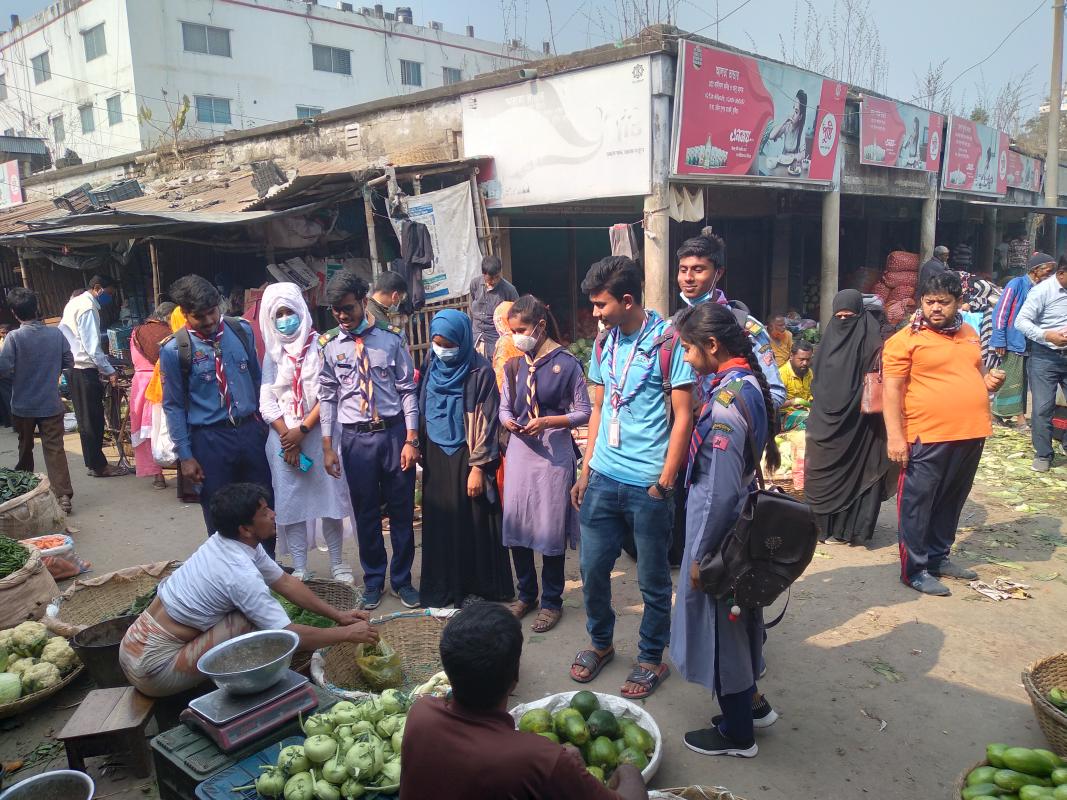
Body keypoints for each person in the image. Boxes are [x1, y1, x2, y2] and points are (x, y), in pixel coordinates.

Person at [569, 256, 695, 699]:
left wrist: (663, 482)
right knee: (593, 568)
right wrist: (585, 470)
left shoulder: (669, 342)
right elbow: (601, 407)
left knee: (653, 579)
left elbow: (683, 417)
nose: (595, 314)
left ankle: (649, 657)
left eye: (601, 305)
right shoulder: (604, 345)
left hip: (648, 485)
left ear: (627, 300)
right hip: (603, 478)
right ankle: (601, 643)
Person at [118, 483, 378, 697]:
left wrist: (339, 616)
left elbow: (285, 582)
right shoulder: (239, 572)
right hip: (153, 669)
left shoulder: (229, 542)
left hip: (131, 647)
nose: (273, 514)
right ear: (244, 528)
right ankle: (253, 694)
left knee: (247, 617)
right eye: (264, 513)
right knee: (250, 625)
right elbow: (287, 635)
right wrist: (346, 634)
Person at [668, 301, 781, 758]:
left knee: (723, 628)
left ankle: (738, 734)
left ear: (712, 346)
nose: (687, 359)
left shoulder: (725, 405)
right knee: (739, 621)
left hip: (720, 537)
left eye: (690, 350)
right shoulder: (747, 384)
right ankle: (751, 710)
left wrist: (701, 557)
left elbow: (718, 493)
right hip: (738, 528)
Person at [400, 602, 647, 800]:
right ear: (515, 678)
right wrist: (626, 772)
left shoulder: (420, 713)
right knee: (629, 772)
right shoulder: (540, 758)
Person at [883, 272, 1004, 595]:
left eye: (944, 302)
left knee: (951, 500)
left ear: (958, 303)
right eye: (929, 301)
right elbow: (891, 392)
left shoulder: (969, 333)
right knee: (918, 503)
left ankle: (939, 557)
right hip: (926, 435)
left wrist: (986, 385)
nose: (936, 308)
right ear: (920, 302)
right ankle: (915, 569)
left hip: (971, 433)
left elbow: (971, 374)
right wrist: (895, 437)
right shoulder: (904, 340)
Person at [319, 270, 420, 610]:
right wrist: (328, 446)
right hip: (355, 439)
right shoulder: (329, 345)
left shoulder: (391, 339)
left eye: (348, 308)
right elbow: (328, 396)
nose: (343, 316)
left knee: (402, 511)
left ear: (364, 302)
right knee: (365, 514)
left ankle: (403, 580)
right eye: (336, 311)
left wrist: (411, 439)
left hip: (392, 435)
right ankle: (374, 579)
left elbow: (407, 390)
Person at [160, 275, 274, 551]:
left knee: (262, 508)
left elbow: (259, 382)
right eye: (200, 316)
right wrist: (185, 456)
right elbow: (173, 405)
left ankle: (268, 571)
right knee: (219, 512)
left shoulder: (242, 331)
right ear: (185, 315)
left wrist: (266, 430)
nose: (210, 321)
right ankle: (229, 575)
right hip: (210, 441)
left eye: (213, 312)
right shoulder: (175, 350)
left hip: (251, 434)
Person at [500, 296, 590, 633]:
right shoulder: (514, 364)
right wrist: (508, 421)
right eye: (511, 331)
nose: (516, 337)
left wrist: (550, 421)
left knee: (550, 526)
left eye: (521, 330)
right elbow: (504, 406)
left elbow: (584, 411)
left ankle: (552, 601)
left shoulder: (567, 363)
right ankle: (526, 595)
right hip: (521, 451)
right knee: (518, 522)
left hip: (554, 451)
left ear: (539, 326)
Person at [418, 309, 514, 608]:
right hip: (436, 452)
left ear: (462, 339)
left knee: (470, 523)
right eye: (437, 344)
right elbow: (421, 404)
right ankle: (442, 588)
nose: (443, 351)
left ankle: (476, 589)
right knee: (441, 520)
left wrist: (477, 467)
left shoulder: (479, 371)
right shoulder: (430, 363)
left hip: (467, 452)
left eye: (449, 345)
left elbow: (488, 422)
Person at [259, 283, 352, 584]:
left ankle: (338, 563)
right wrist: (288, 436)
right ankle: (300, 566)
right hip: (284, 442)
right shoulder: (272, 355)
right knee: (291, 502)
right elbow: (266, 402)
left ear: (302, 311)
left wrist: (302, 431)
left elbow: (328, 393)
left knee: (330, 501)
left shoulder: (323, 345)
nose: (286, 319)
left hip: (321, 435)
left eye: (290, 311)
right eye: (279, 314)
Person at [805, 290, 894, 546]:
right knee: (820, 469)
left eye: (850, 316)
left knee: (858, 469)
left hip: (859, 425)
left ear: (860, 315)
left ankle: (848, 530)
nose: (843, 320)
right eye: (839, 315)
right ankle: (819, 530)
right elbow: (819, 382)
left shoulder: (872, 343)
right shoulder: (826, 343)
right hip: (825, 422)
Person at [0, 288, 75, 513]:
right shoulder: (55, 334)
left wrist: (19, 374)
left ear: (14, 313)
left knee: (25, 447)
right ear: (36, 307)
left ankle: (24, 493)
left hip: (23, 405)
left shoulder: (14, 337)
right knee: (55, 449)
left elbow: (3, 368)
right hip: (50, 403)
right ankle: (63, 497)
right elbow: (68, 361)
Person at [59, 273, 127, 477]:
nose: (109, 298)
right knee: (93, 420)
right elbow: (92, 347)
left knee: (85, 419)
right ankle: (99, 466)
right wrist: (110, 370)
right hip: (83, 368)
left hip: (73, 367)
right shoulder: (88, 308)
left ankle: (93, 463)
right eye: (108, 294)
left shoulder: (74, 303)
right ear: (97, 288)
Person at [1014, 259, 1067, 472]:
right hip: (1045, 356)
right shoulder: (1042, 291)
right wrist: (1047, 335)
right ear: (1062, 273)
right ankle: (1043, 454)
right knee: (1042, 408)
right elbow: (1021, 321)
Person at [130, 302, 176, 490]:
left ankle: (157, 475)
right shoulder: (170, 333)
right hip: (162, 382)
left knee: (147, 431)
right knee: (167, 427)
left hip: (141, 385)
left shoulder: (136, 332)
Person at [469, 255, 518, 359]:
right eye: (491, 278)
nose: (494, 281)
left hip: (496, 339)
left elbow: (517, 314)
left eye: (497, 277)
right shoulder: (475, 284)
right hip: (476, 337)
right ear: (483, 274)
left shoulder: (509, 290)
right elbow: (472, 302)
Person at [778, 339, 814, 432]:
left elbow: (811, 395)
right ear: (791, 356)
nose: (805, 363)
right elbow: (772, 404)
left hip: (805, 411)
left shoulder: (808, 372)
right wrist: (791, 402)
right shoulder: (781, 374)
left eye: (808, 359)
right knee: (812, 421)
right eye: (801, 359)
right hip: (784, 416)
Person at [367, 270, 409, 339]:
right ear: (395, 296)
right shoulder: (370, 314)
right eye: (400, 298)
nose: (399, 303)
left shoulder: (378, 309)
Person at [769, 89, 807, 158]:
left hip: (793, 166)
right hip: (782, 162)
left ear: (800, 117)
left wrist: (792, 156)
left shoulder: (801, 129)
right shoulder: (787, 125)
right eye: (793, 108)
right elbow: (771, 136)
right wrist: (784, 121)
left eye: (796, 112)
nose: (792, 114)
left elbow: (803, 155)